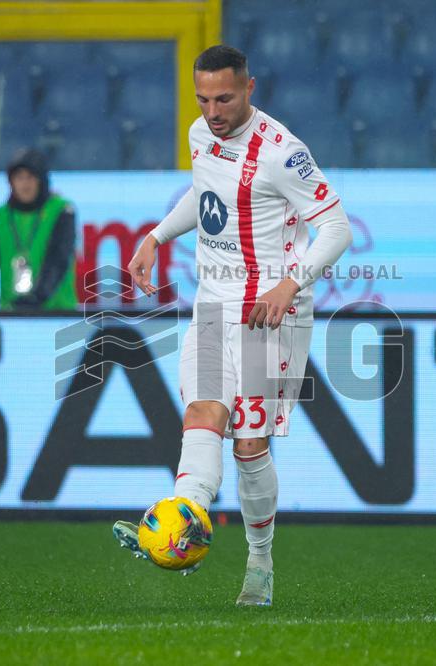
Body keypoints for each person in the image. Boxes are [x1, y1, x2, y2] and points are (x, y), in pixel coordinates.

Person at [112, 45, 353, 606]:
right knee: (201, 414)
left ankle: (260, 563)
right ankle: (181, 524)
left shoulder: (282, 153)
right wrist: (156, 236)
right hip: (212, 303)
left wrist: (290, 283)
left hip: (268, 313)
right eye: (203, 99)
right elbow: (205, 195)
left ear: (249, 88)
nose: (212, 111)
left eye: (223, 98)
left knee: (248, 445)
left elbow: (337, 228)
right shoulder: (200, 134)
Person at [0, 147, 78, 313]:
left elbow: (58, 260)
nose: (25, 184)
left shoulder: (61, 211)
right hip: (12, 313)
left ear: (41, 181)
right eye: (19, 177)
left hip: (56, 314)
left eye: (30, 177)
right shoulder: (0, 217)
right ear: (11, 182)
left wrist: (37, 296)